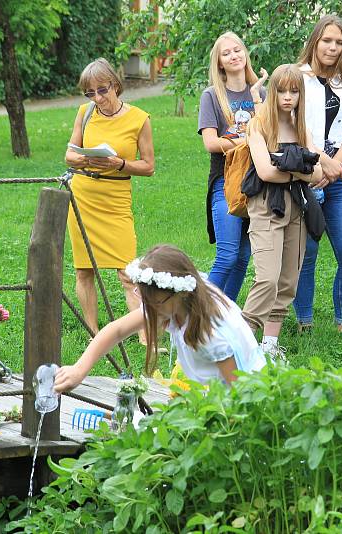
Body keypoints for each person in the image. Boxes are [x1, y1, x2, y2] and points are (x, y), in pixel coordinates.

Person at [54, 244, 267, 390]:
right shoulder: (173, 301)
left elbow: (239, 393)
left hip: (238, 397)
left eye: (155, 303)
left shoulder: (211, 334)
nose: (149, 310)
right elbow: (117, 330)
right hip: (209, 393)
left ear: (181, 292)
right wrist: (79, 370)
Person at [64, 58, 155, 346]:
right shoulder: (85, 113)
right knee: (84, 269)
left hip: (116, 198)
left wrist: (119, 164)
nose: (97, 98)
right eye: (90, 93)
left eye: (102, 91)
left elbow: (148, 166)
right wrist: (82, 158)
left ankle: (143, 335)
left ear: (115, 85)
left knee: (128, 272)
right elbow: (69, 154)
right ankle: (94, 332)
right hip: (83, 195)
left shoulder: (139, 118)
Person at [241, 64, 323, 359]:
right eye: (282, 90)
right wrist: (299, 168)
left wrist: (291, 168)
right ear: (271, 91)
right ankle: (241, 344)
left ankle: (270, 347)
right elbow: (265, 172)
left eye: (294, 91)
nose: (288, 97)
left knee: (288, 279)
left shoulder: (302, 128)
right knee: (268, 277)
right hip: (266, 205)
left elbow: (317, 173)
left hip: (296, 206)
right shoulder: (259, 125)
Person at [293, 15, 342, 333]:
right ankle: (303, 322)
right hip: (303, 174)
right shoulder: (295, 77)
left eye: (339, 42)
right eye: (327, 40)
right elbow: (287, 125)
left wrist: (337, 165)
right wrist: (322, 160)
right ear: (315, 41)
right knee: (306, 252)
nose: (333, 47)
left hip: (340, 175)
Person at [198, 33, 267, 302]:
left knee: (242, 259)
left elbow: (271, 134)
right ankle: (196, 312)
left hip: (257, 180)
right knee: (227, 256)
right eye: (226, 53)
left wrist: (243, 137)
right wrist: (248, 138)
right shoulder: (212, 96)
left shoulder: (259, 93)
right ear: (219, 63)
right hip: (225, 181)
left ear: (245, 54)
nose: (234, 56)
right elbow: (211, 143)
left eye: (238, 50)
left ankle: (223, 316)